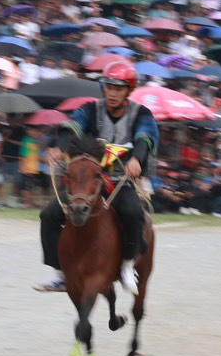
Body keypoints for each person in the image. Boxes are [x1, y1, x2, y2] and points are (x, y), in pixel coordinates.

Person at [37, 59, 159, 294]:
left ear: (129, 90)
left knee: (134, 213)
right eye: (109, 87)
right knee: (49, 214)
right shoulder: (91, 109)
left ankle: (126, 266)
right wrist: (59, 148)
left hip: (120, 179)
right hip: (89, 178)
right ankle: (60, 272)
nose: (112, 93)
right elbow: (73, 126)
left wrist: (136, 159)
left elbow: (145, 138)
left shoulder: (141, 114)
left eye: (119, 88)